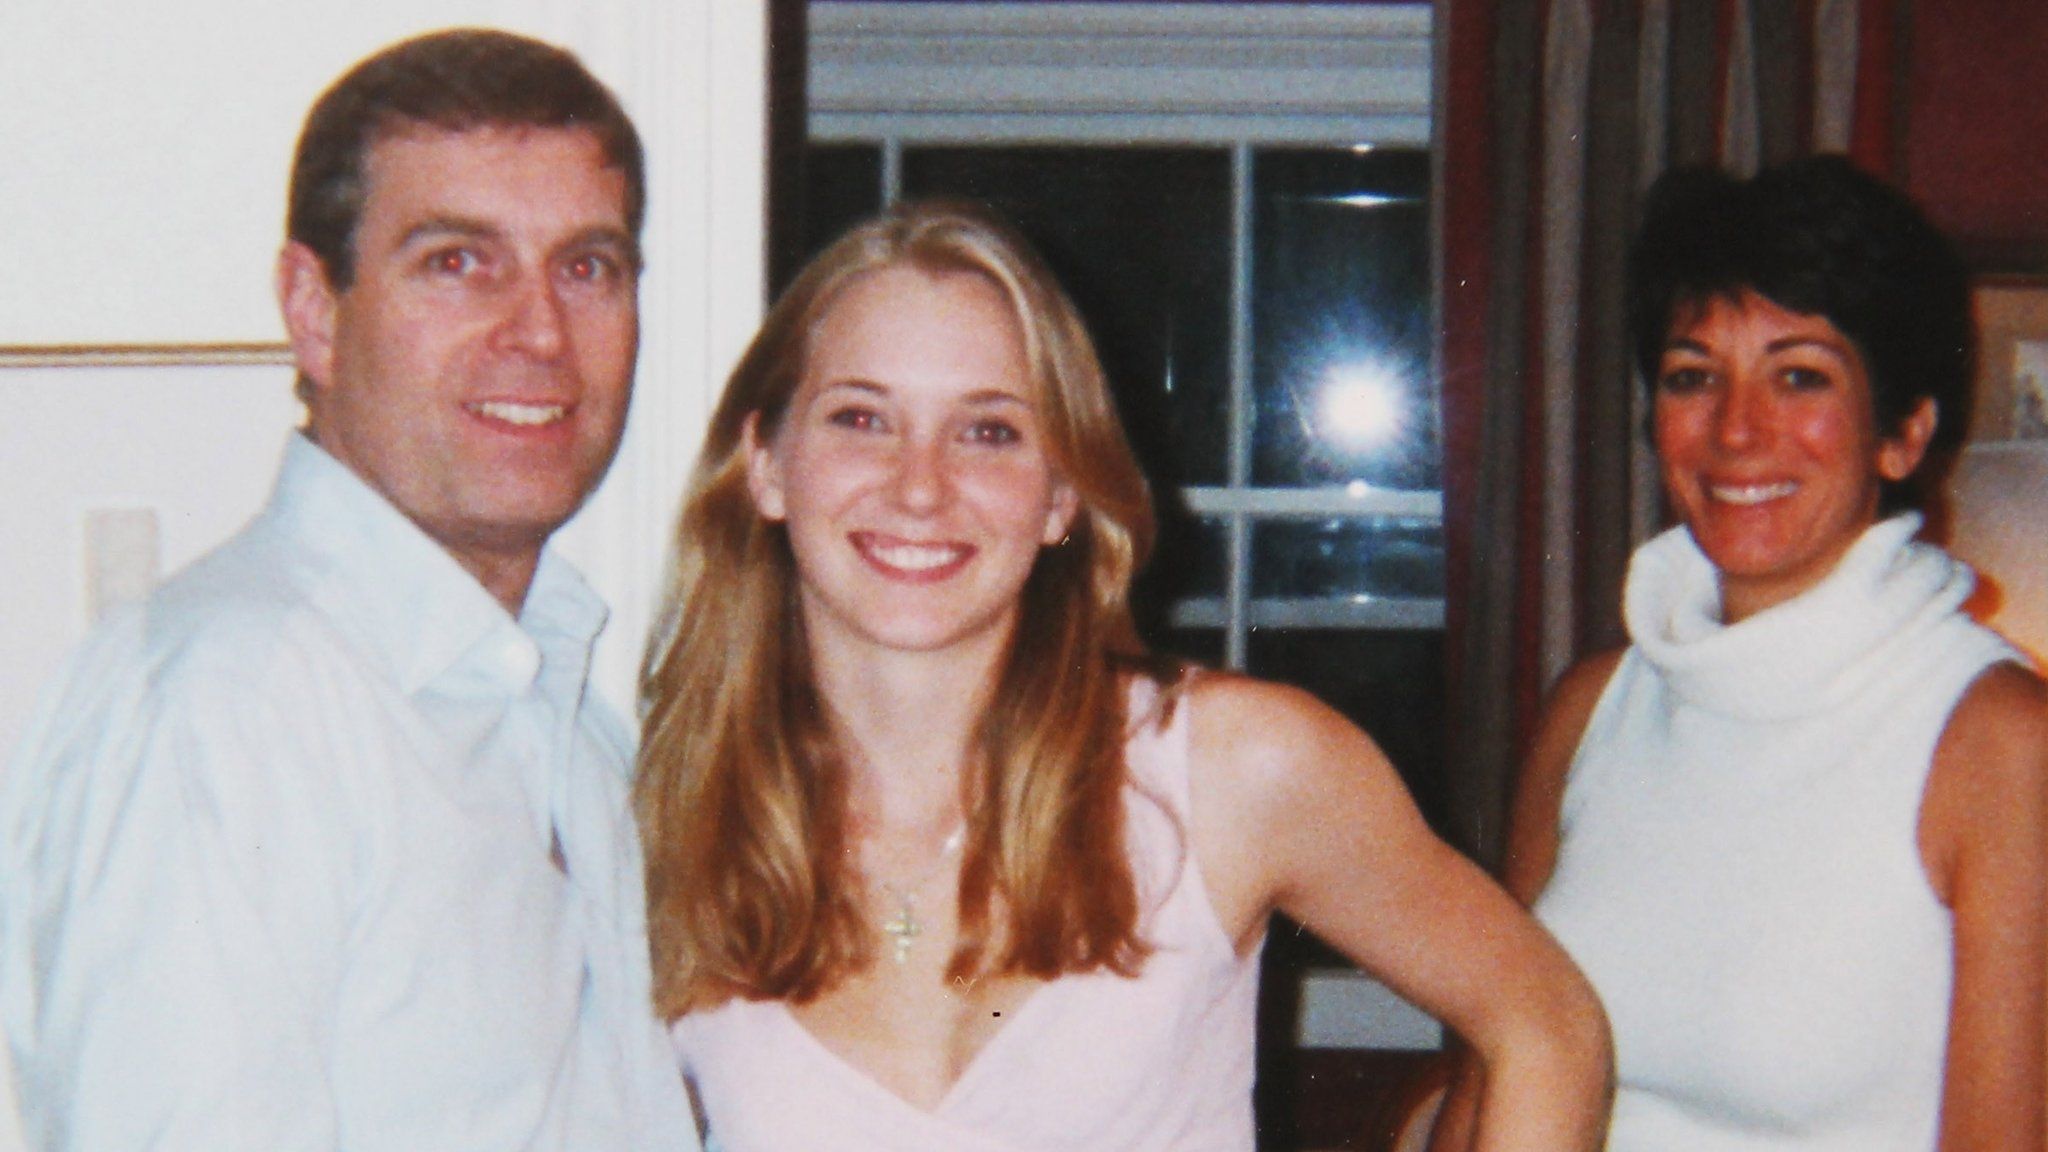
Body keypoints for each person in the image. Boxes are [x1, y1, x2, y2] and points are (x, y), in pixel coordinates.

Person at [636, 199, 1613, 1151]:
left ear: (1060, 493)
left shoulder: (1226, 768)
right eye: (859, 418)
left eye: (987, 431)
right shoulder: (658, 818)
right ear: (765, 464)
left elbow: (1544, 1025)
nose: (919, 485)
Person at [0, 29, 696, 1150]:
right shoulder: (232, 706)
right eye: (458, 262)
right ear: (315, 309)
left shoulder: (562, 724)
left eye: (587, 267)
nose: (539, 332)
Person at [1436, 156, 2048, 1151]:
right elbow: (1485, 1080)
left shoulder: (1994, 739)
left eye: (1796, 375)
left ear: (1901, 433)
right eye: (1691, 377)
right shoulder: (1592, 707)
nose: (1735, 428)